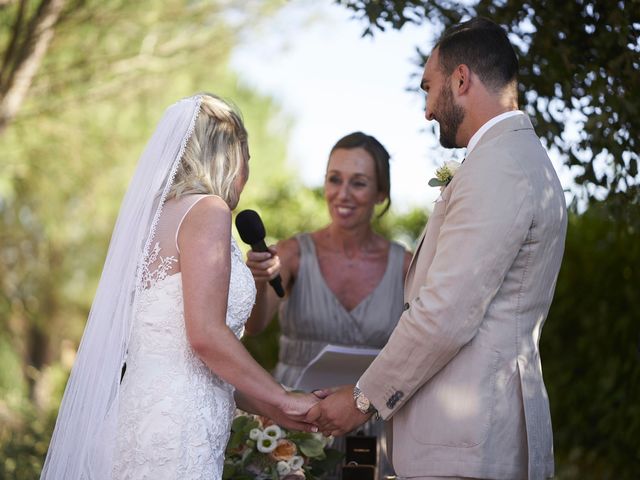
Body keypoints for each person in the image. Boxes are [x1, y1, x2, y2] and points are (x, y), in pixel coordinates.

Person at [308, 17, 567, 480]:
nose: (427, 110)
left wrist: (364, 399)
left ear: (461, 79)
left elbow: (445, 313)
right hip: (477, 435)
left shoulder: (497, 168)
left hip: (466, 443)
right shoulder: (522, 160)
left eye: (429, 88)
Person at [41, 94, 317, 480]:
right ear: (228, 155)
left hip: (147, 414)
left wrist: (275, 407)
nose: (248, 173)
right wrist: (284, 400)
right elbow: (205, 337)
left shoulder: (156, 219)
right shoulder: (208, 211)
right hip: (176, 429)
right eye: (247, 159)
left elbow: (196, 359)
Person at [244, 131, 412, 478]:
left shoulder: (407, 266)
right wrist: (261, 282)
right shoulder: (293, 252)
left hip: (372, 428)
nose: (343, 194)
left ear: (381, 192)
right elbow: (256, 324)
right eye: (334, 180)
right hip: (296, 425)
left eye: (359, 183)